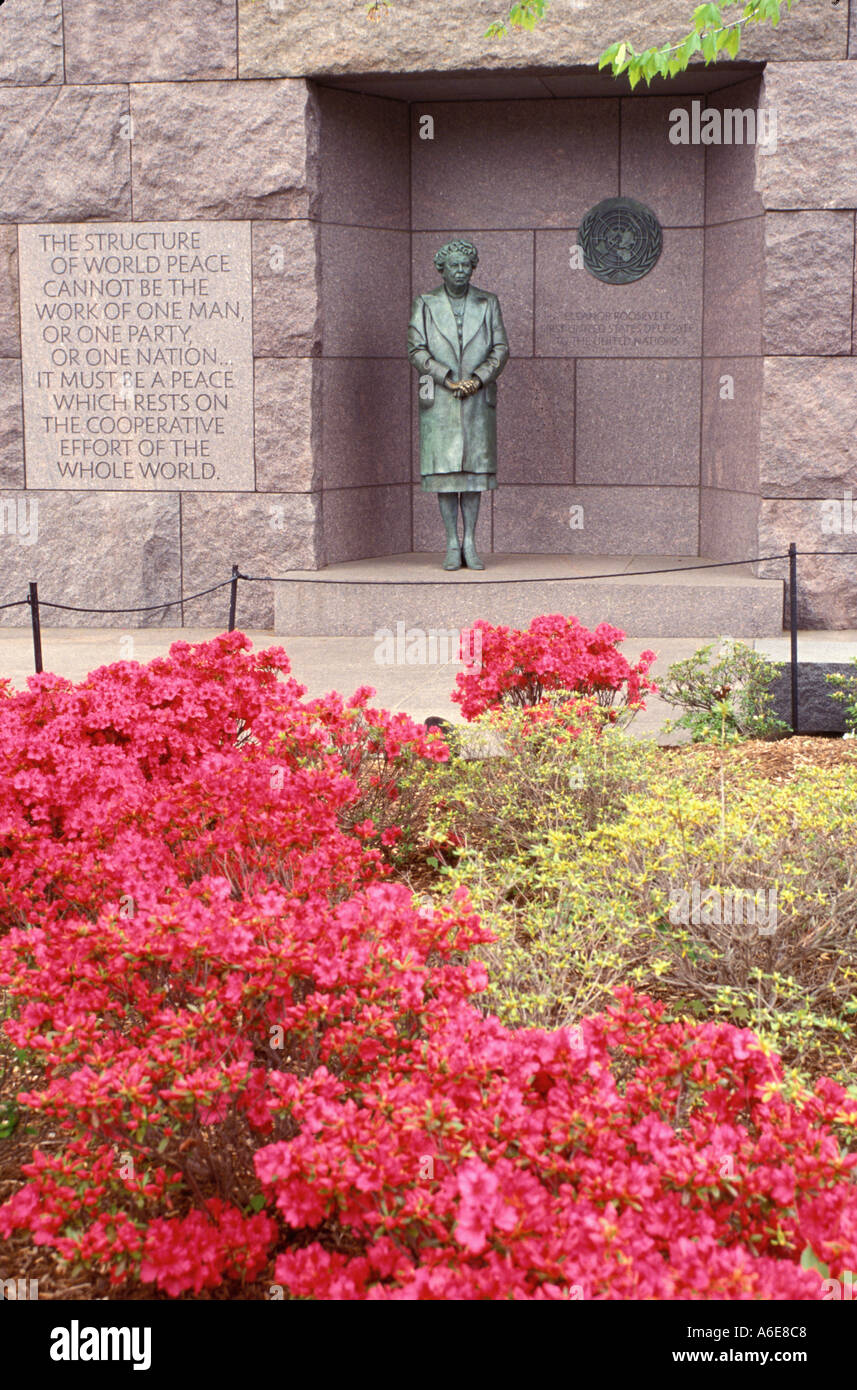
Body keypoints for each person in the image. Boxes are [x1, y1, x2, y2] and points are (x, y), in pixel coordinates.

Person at [408, 239, 509, 570]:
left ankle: (471, 541)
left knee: (473, 475)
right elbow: (416, 349)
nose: (461, 271)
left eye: (466, 266)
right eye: (454, 266)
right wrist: (446, 377)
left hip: (478, 398)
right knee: (446, 474)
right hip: (442, 398)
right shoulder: (425, 303)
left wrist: (478, 378)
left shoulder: (488, 302)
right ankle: (452, 541)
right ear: (442, 269)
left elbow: (500, 348)